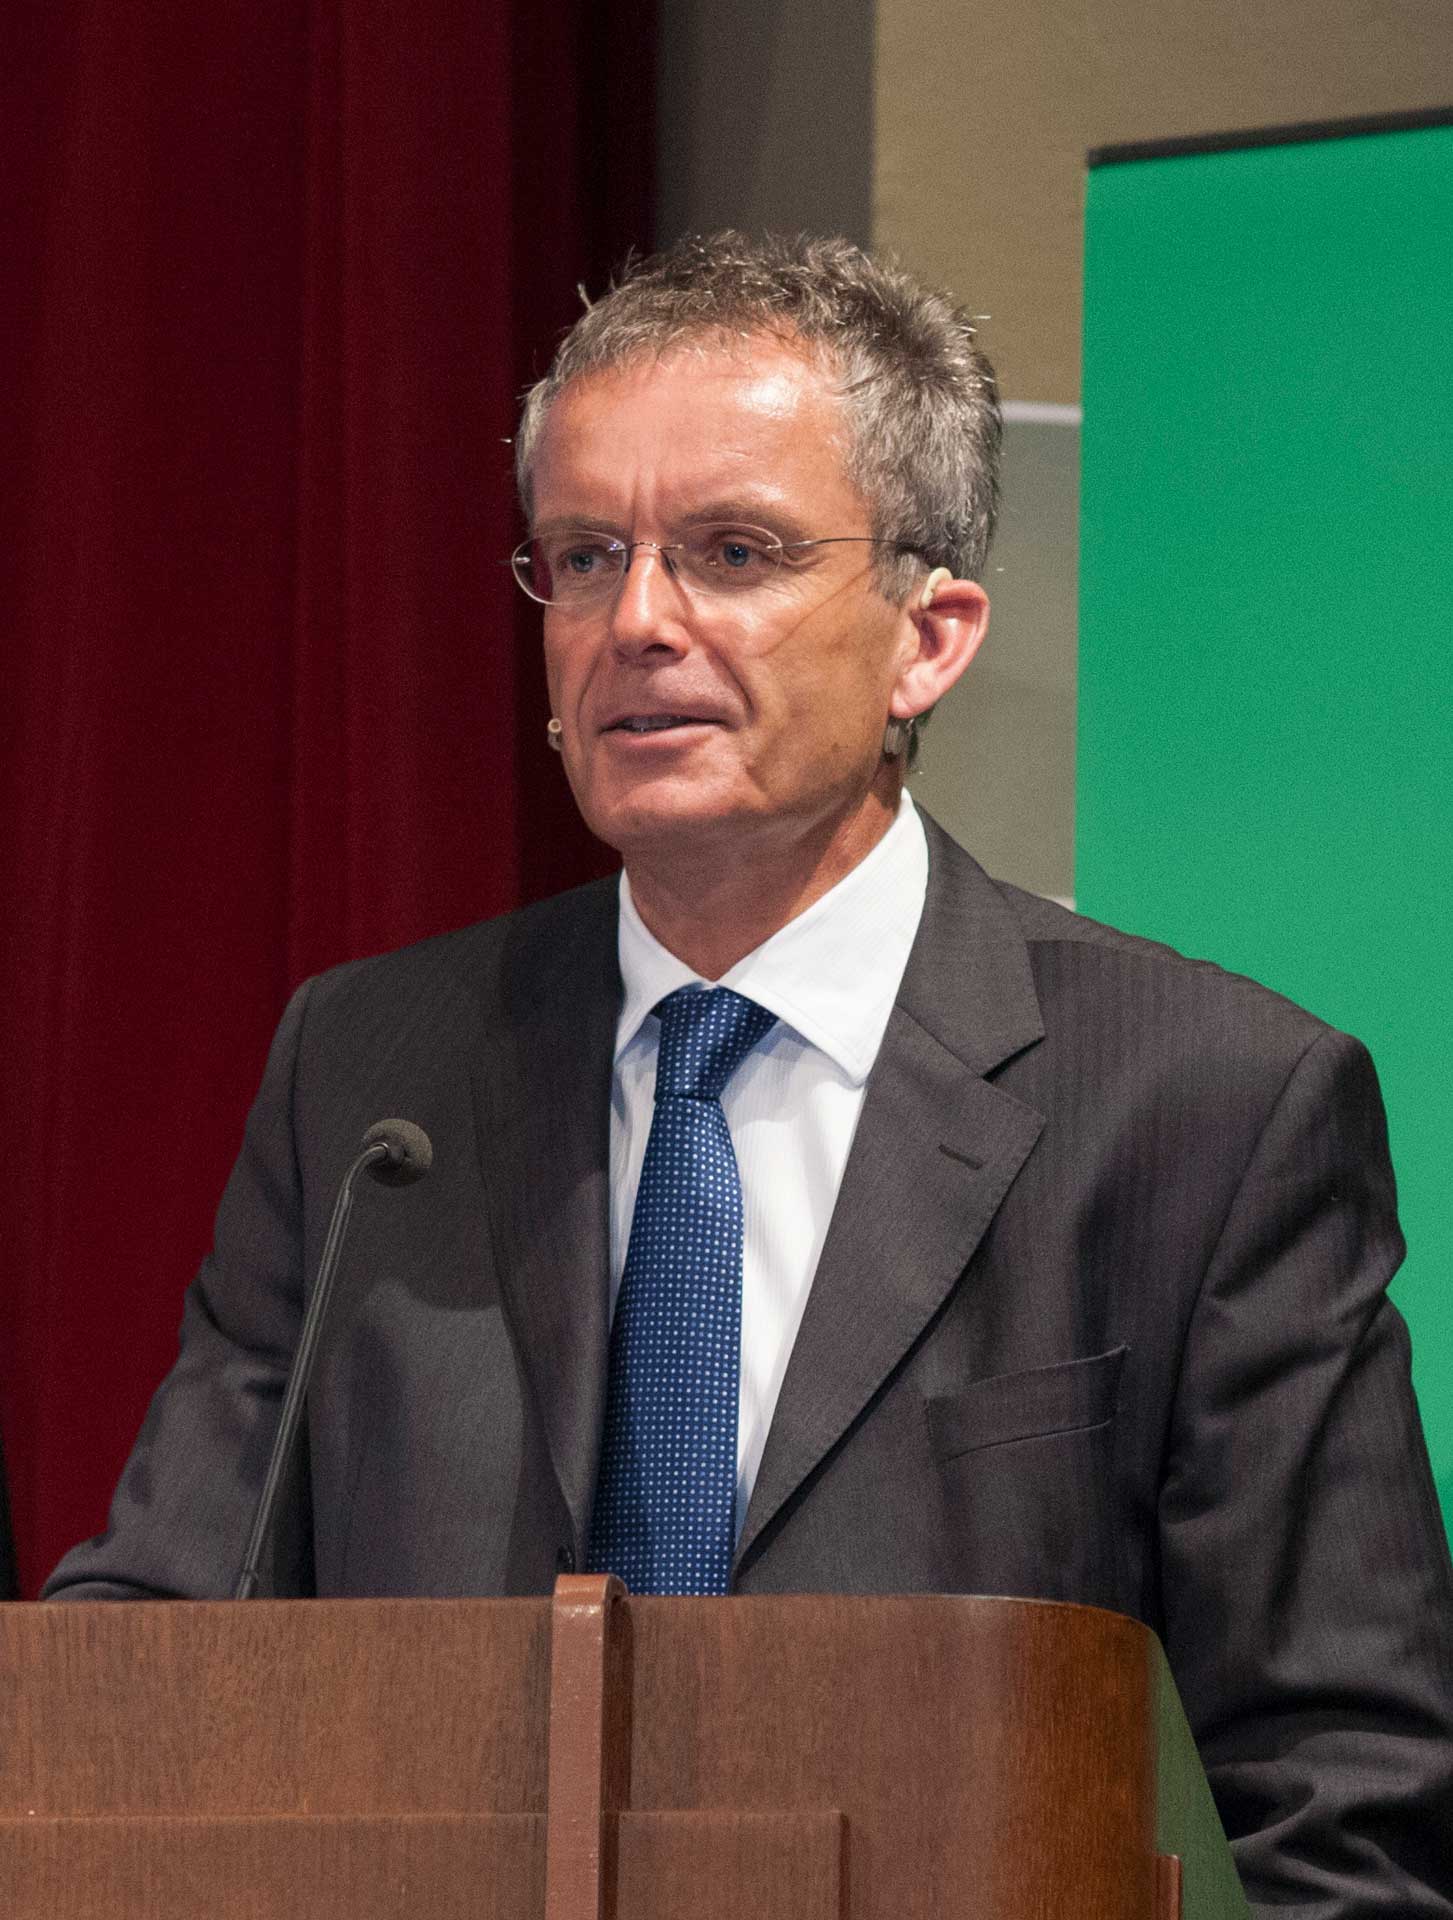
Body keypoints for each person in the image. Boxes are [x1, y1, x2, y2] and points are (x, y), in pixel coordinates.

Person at [46, 233, 1453, 1913]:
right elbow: (147, 1668)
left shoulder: (1205, 1107)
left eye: (732, 551)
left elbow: (1344, 1812)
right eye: (582, 558)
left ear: (927, 635)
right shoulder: (372, 1074)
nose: (635, 624)